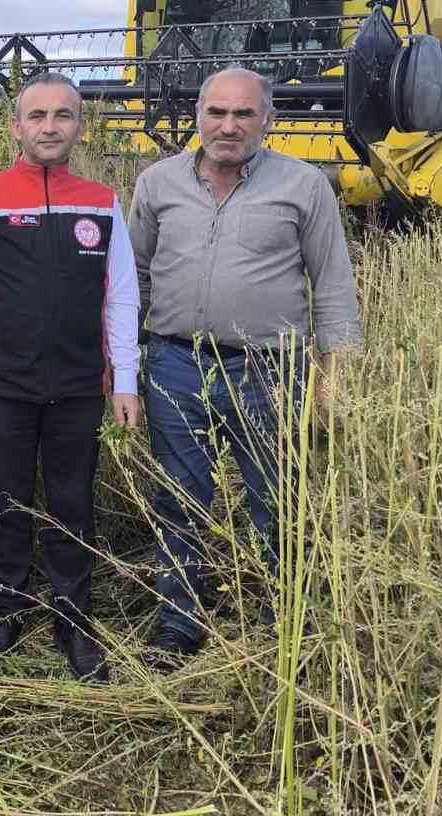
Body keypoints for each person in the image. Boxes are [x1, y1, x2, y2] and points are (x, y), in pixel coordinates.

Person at [128, 67, 360, 670]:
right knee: (180, 499)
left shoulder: (304, 186)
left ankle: (286, 622)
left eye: (244, 115)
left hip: (269, 370)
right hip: (176, 364)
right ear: (198, 116)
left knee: (275, 502)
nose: (228, 126)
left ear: (269, 121)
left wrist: (333, 381)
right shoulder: (156, 183)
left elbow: (332, 287)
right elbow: (134, 279)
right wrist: (126, 363)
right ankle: (179, 623)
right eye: (217, 113)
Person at [0, 73, 140, 682]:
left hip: (81, 386)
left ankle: (73, 617)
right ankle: (7, 610)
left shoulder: (102, 202)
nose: (49, 127)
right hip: (3, 384)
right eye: (37, 116)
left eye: (62, 116)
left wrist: (125, 378)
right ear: (16, 127)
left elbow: (123, 295)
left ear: (81, 126)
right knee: (7, 502)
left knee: (74, 504)